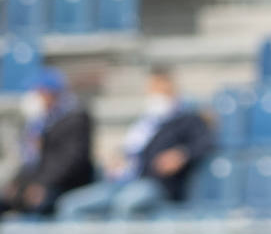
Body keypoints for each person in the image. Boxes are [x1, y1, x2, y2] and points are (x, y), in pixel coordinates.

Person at [57, 66, 216, 220]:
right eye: (153, 89)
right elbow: (131, 150)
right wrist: (117, 158)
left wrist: (182, 155)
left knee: (125, 204)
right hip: (122, 182)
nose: (157, 94)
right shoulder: (145, 122)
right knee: (70, 205)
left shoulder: (187, 119)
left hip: (156, 184)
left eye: (161, 89)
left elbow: (205, 143)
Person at [0, 69, 94, 217]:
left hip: (65, 185)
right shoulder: (41, 123)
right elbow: (32, 161)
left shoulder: (75, 118)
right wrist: (17, 183)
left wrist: (42, 185)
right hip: (40, 183)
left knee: (38, 202)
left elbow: (70, 162)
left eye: (39, 92)